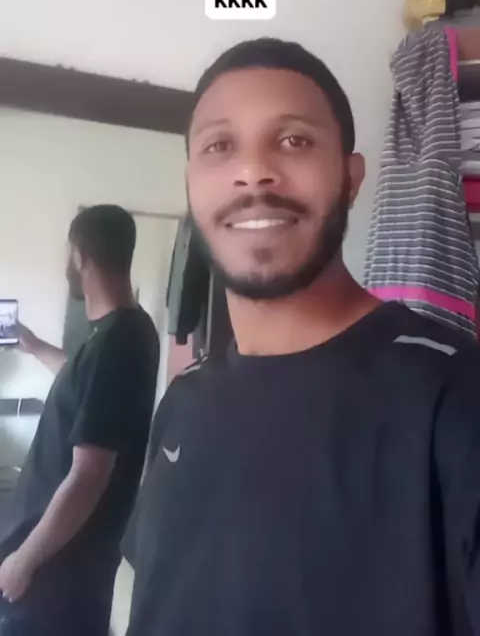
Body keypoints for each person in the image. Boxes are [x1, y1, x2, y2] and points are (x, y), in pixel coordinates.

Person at [127, 38, 480, 636]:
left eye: (294, 140)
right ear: (191, 184)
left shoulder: (455, 394)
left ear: (351, 178)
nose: (252, 171)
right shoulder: (182, 403)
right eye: (219, 146)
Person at [0, 205, 160, 636]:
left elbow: (88, 476)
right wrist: (35, 347)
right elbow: (84, 383)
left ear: (79, 256)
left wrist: (24, 560)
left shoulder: (116, 343)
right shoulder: (128, 330)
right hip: (69, 568)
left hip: (56, 573)